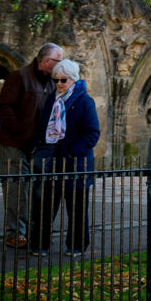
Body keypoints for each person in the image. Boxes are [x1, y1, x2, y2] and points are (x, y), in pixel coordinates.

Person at [0, 43, 61, 248]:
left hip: (38, 145)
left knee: (36, 190)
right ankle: (15, 233)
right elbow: (4, 108)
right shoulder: (19, 77)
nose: (60, 65)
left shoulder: (51, 82)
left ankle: (32, 231)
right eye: (58, 61)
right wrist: (21, 130)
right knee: (16, 189)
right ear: (46, 61)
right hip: (15, 143)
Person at [29, 58, 100, 257]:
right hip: (51, 162)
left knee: (76, 209)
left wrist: (71, 152)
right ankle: (40, 245)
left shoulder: (85, 101)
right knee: (45, 207)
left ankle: (76, 246)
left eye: (63, 80)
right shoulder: (51, 101)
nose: (58, 84)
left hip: (75, 163)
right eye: (55, 80)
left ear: (73, 80)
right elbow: (42, 127)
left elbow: (92, 133)